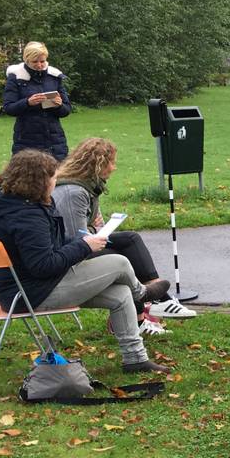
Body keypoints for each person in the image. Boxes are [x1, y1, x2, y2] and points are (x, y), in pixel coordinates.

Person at [0, 150, 170, 374]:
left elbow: (48, 248)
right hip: (33, 292)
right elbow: (43, 265)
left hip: (17, 290)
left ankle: (135, 359)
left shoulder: (8, 206)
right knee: (119, 262)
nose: (55, 182)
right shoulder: (27, 216)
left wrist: (82, 241)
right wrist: (85, 246)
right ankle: (143, 293)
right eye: (52, 177)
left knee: (120, 294)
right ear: (38, 181)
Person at [52, 138, 197, 336]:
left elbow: (93, 226)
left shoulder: (87, 187)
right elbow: (75, 240)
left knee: (130, 240)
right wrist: (98, 233)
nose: (114, 167)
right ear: (98, 165)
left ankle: (154, 305)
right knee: (125, 253)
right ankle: (156, 302)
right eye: (111, 162)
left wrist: (100, 230)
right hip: (68, 259)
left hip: (82, 247)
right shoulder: (74, 192)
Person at [2, 41, 71, 161]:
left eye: (42, 61)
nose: (39, 65)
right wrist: (27, 102)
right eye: (35, 62)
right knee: (28, 178)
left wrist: (58, 105)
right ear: (26, 60)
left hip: (54, 140)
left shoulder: (54, 77)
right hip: (26, 140)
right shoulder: (16, 78)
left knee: (58, 178)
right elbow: (8, 108)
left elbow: (66, 110)